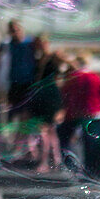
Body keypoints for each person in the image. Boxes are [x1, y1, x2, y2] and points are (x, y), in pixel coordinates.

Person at [57, 56, 100, 179]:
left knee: (64, 140)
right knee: (93, 144)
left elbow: (66, 97)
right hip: (96, 114)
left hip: (76, 114)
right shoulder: (96, 77)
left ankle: (75, 167)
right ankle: (96, 170)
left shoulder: (73, 78)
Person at [28, 34, 65, 172]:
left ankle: (47, 162)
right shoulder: (36, 59)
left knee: (47, 131)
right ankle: (55, 160)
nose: (39, 46)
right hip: (40, 97)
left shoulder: (53, 58)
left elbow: (68, 68)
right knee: (48, 131)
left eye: (41, 42)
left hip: (51, 97)